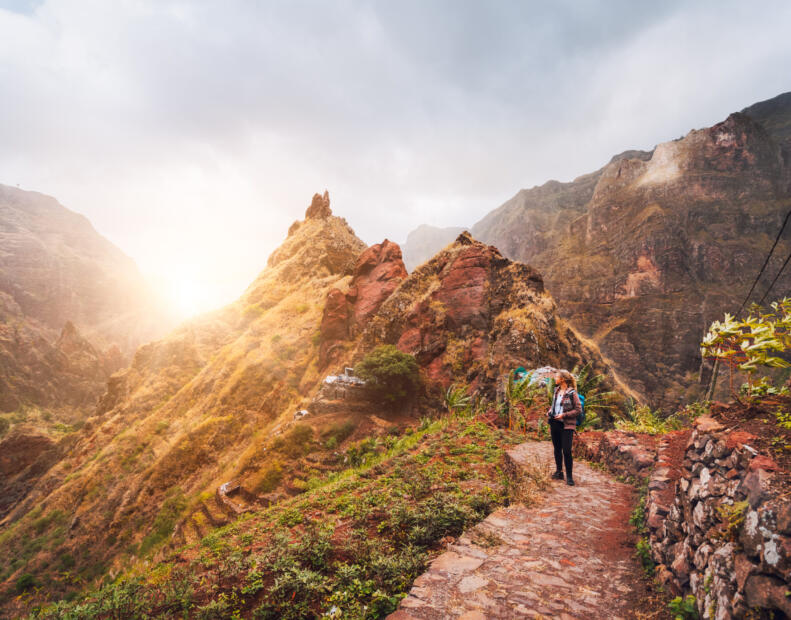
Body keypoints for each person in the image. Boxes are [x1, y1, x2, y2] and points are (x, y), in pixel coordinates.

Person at [547, 369, 582, 485]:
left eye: (556, 377)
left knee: (566, 451)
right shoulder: (556, 390)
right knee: (557, 449)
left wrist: (564, 415)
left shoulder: (572, 393)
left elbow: (578, 410)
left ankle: (570, 477)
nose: (554, 379)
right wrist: (550, 411)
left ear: (562, 379)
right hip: (554, 423)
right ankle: (559, 472)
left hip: (566, 425)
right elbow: (554, 405)